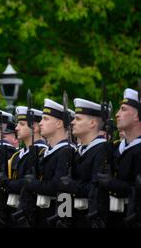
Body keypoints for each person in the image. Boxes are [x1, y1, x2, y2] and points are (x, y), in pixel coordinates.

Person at [24, 98, 76, 227]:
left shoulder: (66, 150)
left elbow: (59, 187)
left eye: (46, 119)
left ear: (59, 124)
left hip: (55, 217)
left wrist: (33, 184)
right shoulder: (48, 151)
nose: (40, 123)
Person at [58, 98, 108, 227]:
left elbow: (96, 189)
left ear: (92, 123)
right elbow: (65, 191)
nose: (72, 122)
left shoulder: (102, 150)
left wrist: (71, 185)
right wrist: (64, 215)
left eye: (78, 119)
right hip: (74, 220)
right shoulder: (77, 152)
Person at [97, 88, 141, 227]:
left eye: (123, 109)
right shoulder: (117, 148)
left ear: (136, 116)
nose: (117, 114)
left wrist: (114, 184)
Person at [8, 105, 47, 227]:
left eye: (21, 124)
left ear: (34, 128)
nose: (16, 128)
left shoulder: (41, 152)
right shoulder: (17, 155)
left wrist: (6, 184)